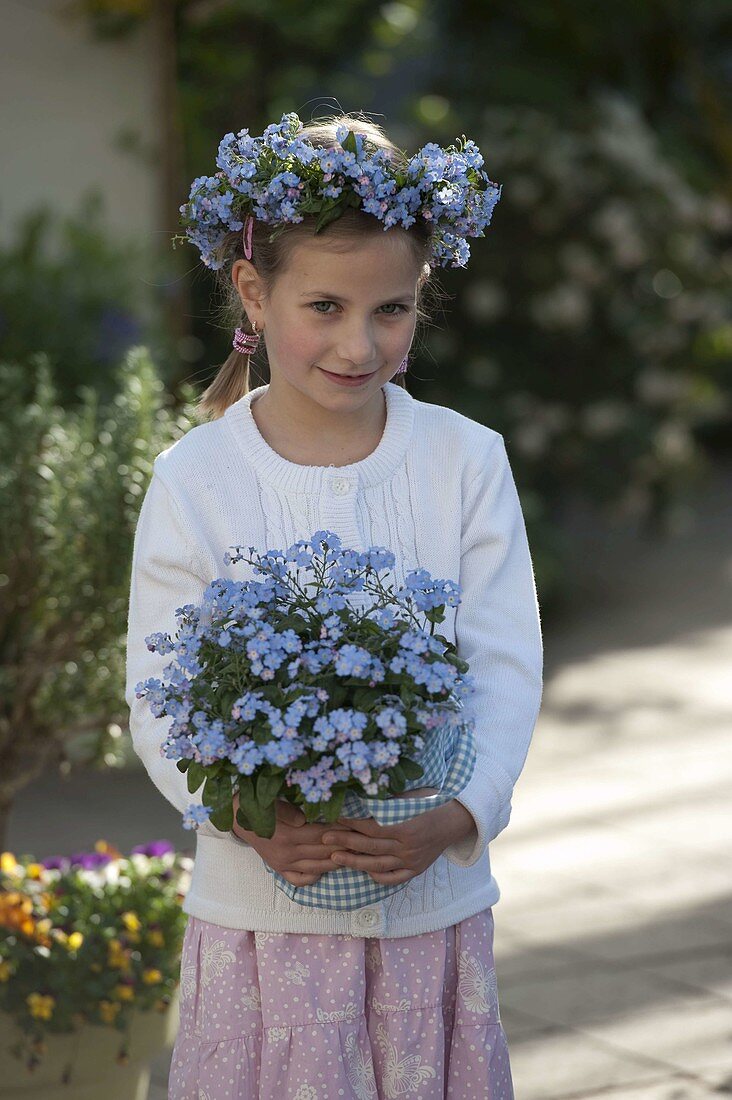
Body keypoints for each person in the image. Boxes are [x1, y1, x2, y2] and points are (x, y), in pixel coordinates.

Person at [125, 110, 543, 1099]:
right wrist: (243, 816)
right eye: (325, 306)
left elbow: (505, 663)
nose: (360, 343)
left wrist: (456, 815)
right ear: (253, 292)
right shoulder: (196, 478)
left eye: (391, 310)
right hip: (263, 911)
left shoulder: (464, 461)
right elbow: (154, 688)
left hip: (429, 903)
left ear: (421, 298)